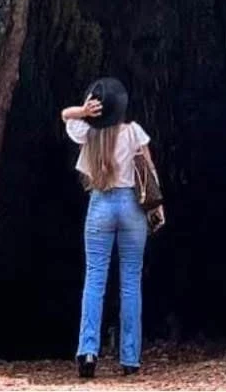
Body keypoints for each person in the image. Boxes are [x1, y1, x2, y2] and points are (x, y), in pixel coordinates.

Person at [62, 77, 155, 379]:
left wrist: (84, 111)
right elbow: (149, 173)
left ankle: (88, 351)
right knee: (131, 282)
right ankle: (130, 358)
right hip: (131, 207)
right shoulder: (134, 132)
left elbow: (66, 115)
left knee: (95, 279)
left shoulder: (87, 134)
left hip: (100, 205)